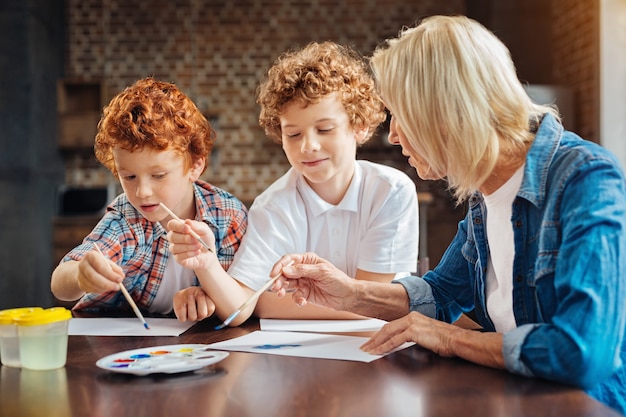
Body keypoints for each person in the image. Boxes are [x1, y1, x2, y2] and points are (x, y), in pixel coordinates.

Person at [268, 15, 626, 414]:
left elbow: (582, 352)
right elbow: (440, 295)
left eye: (400, 114)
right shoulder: (484, 195)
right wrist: (348, 293)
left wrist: (451, 339)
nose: (394, 135)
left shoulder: (584, 178)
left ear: (445, 109)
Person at [166, 41, 419, 324]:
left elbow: (371, 301)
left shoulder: (390, 191)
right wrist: (208, 263)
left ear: (359, 126)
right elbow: (246, 306)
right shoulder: (273, 206)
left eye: (324, 129)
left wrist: (273, 303)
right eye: (293, 134)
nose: (308, 146)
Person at [50, 77, 248, 319]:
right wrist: (81, 274)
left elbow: (240, 309)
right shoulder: (127, 218)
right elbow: (60, 283)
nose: (142, 192)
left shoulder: (227, 215)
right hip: (113, 342)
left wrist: (208, 292)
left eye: (158, 175)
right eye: (130, 176)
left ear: (195, 165)